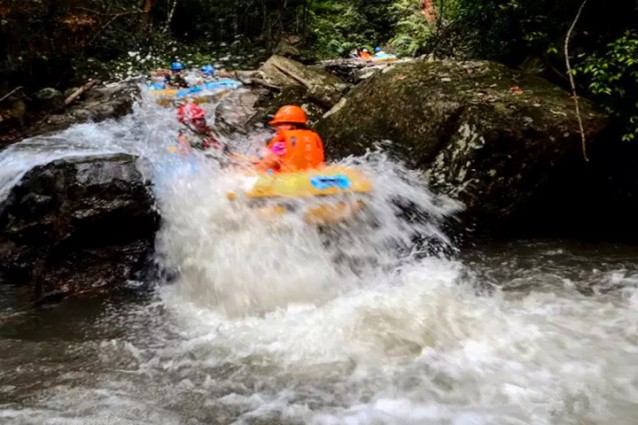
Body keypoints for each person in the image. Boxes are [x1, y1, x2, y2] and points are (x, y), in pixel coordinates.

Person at [255, 105, 325, 173]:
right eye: (276, 124)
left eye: (280, 124)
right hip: (310, 178)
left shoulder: (280, 144)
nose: (276, 127)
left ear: (293, 126)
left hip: (286, 180)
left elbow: (268, 162)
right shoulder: (313, 138)